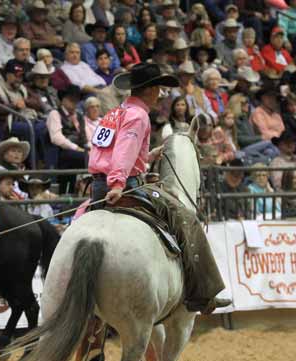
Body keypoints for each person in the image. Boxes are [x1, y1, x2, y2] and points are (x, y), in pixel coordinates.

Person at [88, 62, 229, 314]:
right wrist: (119, 183)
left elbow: (110, 150)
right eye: (160, 89)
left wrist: (146, 157)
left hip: (96, 187)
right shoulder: (139, 115)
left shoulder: (114, 113)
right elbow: (123, 152)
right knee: (187, 219)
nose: (162, 95)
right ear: (151, 90)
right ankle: (204, 292)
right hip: (124, 185)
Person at [46, 84, 88, 193]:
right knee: (85, 158)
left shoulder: (79, 116)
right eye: (71, 99)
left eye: (76, 99)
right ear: (63, 99)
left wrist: (89, 147)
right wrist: (75, 147)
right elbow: (56, 137)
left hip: (78, 151)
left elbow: (85, 136)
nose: (74, 102)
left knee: (91, 156)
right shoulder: (55, 113)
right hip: (61, 152)